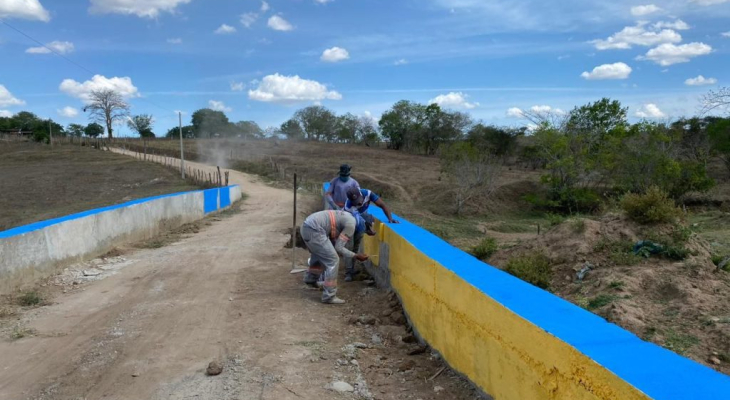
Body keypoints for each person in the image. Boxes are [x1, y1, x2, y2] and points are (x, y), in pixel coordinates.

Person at [301, 210, 369, 304]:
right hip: (315, 230)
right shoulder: (351, 225)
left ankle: (311, 279)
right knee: (333, 260)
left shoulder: (348, 216)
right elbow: (339, 247)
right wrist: (356, 255)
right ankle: (329, 296)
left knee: (320, 254)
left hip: (307, 227)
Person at [343, 187, 399, 281]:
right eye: (356, 202)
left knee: (356, 246)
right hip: (349, 223)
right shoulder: (348, 207)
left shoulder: (368, 193)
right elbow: (355, 222)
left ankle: (352, 270)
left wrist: (390, 219)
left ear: (361, 195)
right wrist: (366, 229)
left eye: (359, 200)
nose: (359, 203)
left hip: (360, 218)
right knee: (349, 247)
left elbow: (382, 205)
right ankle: (348, 272)